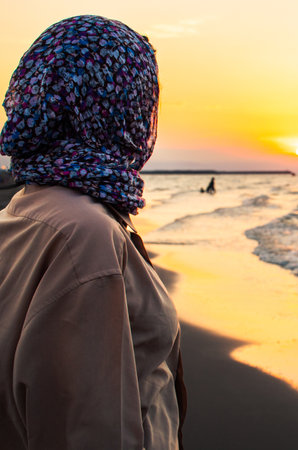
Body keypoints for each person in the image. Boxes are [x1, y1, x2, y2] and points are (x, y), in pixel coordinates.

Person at [0, 15, 186, 450]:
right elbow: (90, 431)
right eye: (141, 98)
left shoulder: (24, 209)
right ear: (116, 106)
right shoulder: (86, 236)